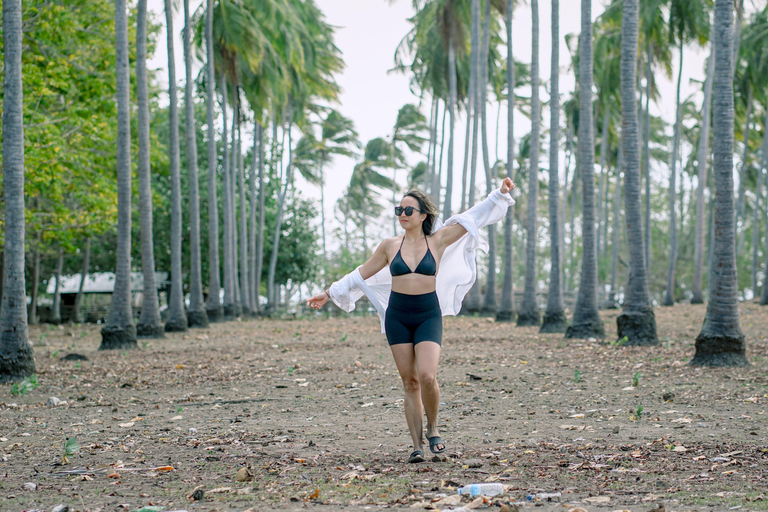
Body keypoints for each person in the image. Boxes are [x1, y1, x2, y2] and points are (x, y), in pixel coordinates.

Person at [307, 177, 516, 463]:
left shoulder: (439, 239)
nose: (402, 215)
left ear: (423, 215)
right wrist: (328, 293)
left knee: (428, 376)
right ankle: (416, 445)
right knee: (411, 382)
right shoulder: (389, 246)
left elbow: (472, 218)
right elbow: (360, 274)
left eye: (408, 210)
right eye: (399, 210)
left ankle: (433, 428)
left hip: (428, 313)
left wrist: (499, 194)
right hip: (398, 316)